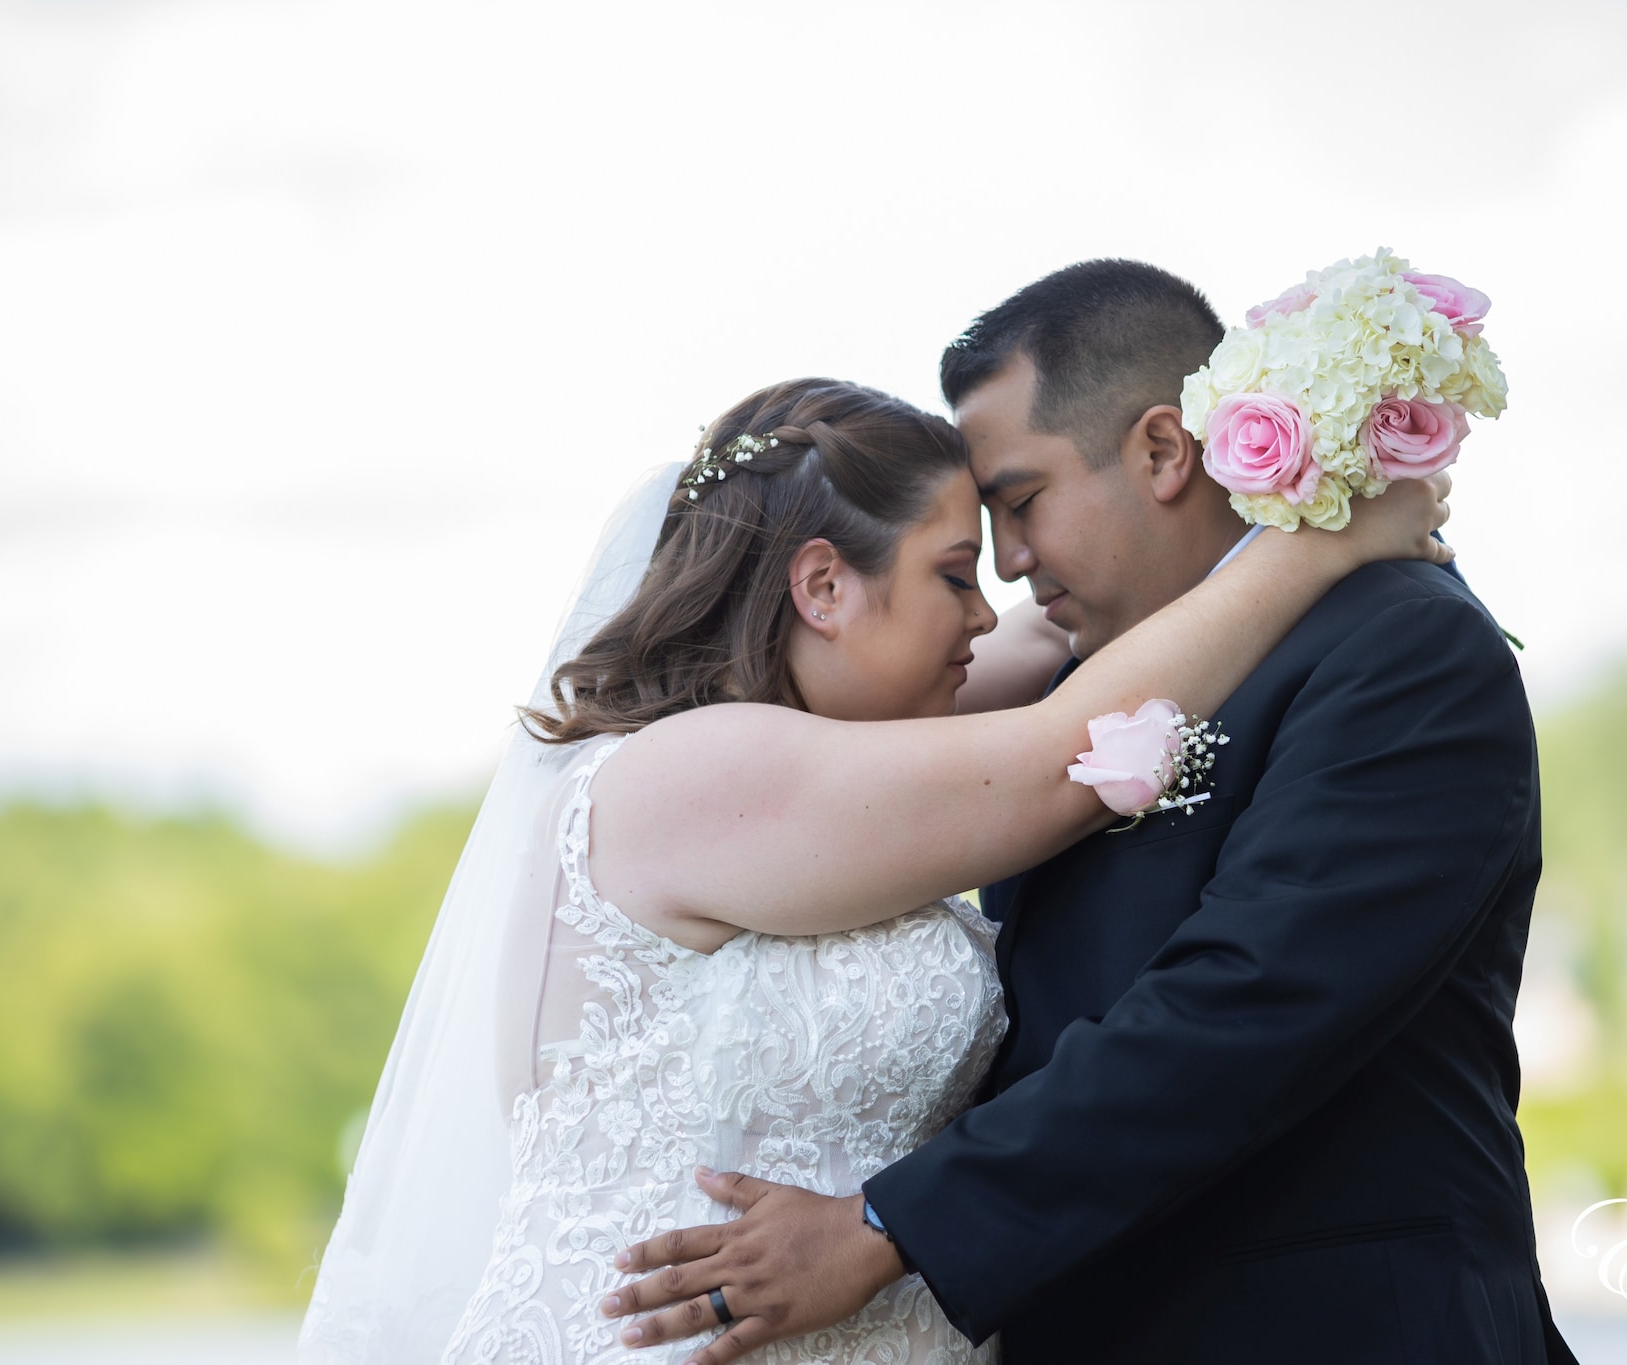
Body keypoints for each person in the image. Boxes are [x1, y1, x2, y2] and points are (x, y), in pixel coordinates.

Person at [296, 373, 1452, 1364]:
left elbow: (1079, 628)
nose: (986, 611)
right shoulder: (687, 772)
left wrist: (1276, 484)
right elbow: (1061, 753)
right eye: (955, 575)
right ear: (821, 587)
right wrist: (1325, 543)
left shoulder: (830, 752)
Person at [602, 263, 1577, 1365]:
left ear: (1163, 450)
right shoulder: (1076, 691)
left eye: (1019, 504)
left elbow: (1250, 1003)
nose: (1010, 568)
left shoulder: (1399, 645)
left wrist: (889, 1226)